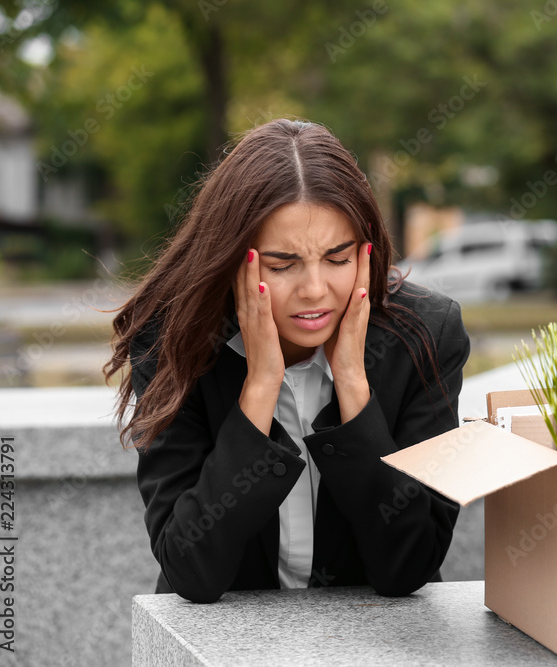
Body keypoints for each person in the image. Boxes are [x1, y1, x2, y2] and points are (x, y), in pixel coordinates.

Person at [103, 118, 470, 604]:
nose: (315, 290)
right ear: (233, 257)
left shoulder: (425, 335)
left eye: (338, 260)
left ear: (366, 254)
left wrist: (354, 387)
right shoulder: (174, 341)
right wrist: (260, 387)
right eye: (282, 265)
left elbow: (409, 565)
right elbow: (191, 570)